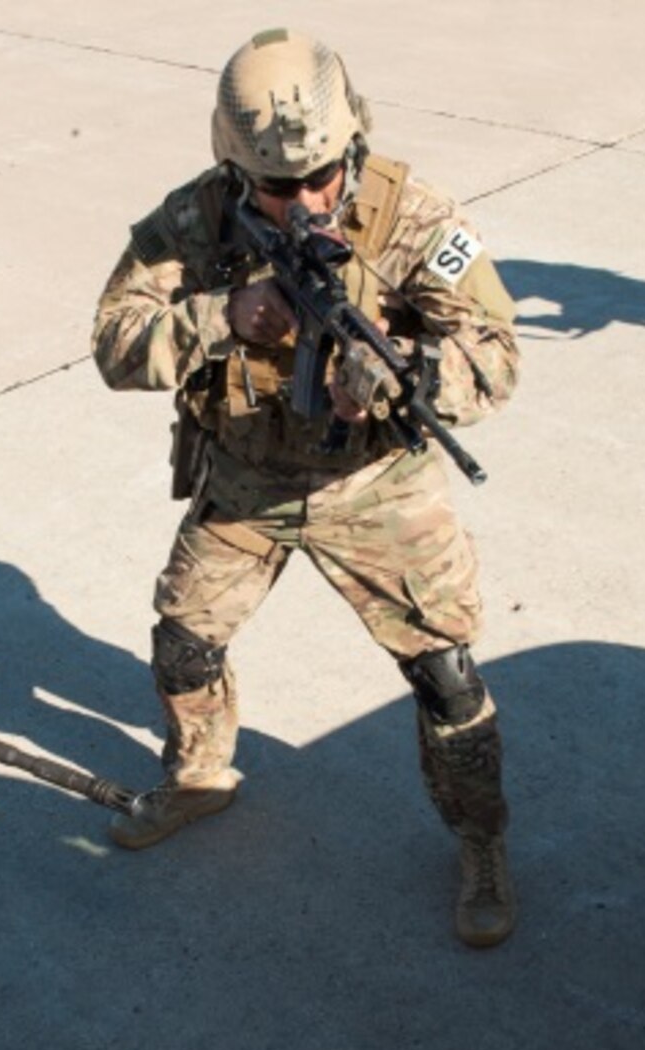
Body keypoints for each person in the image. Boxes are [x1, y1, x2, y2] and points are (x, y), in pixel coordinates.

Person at [91, 30, 522, 947]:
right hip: (247, 478)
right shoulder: (196, 219)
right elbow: (115, 343)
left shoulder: (415, 218)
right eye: (278, 187)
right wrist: (221, 317)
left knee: (446, 680)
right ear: (235, 166)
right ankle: (200, 776)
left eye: (322, 177)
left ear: (352, 144)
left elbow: (495, 355)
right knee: (183, 644)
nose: (306, 201)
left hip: (374, 485)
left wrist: (406, 373)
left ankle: (481, 842)